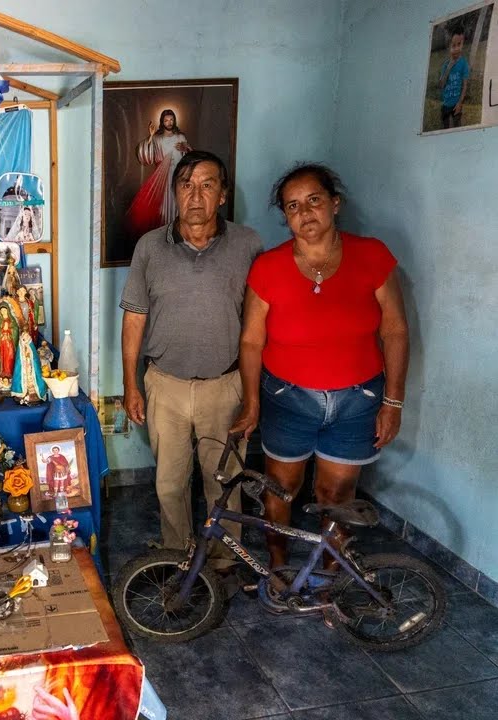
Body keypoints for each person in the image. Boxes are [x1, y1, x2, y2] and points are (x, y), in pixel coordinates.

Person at [231, 163, 408, 577]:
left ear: (335, 203)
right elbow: (251, 341)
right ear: (285, 216)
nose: (305, 213)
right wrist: (252, 403)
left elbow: (395, 331)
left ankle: (329, 577)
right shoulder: (268, 267)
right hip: (288, 398)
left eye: (313, 200)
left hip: (357, 401)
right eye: (293, 206)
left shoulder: (372, 256)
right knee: (281, 490)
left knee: (336, 494)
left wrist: (393, 402)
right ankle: (278, 569)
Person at [120, 150, 263, 571]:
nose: (196, 195)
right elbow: (134, 319)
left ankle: (222, 563)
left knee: (224, 484)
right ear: (174, 193)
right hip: (165, 384)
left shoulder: (248, 245)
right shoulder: (150, 247)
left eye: (207, 185)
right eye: (186, 185)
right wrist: (130, 384)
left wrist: (252, 393)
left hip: (225, 385)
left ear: (223, 194)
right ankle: (180, 559)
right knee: (169, 484)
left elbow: (258, 325)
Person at [124, 109, 191, 241]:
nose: (169, 122)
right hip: (163, 177)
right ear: (162, 122)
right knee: (163, 208)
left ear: (174, 121)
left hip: (179, 176)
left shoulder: (180, 137)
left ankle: (178, 235)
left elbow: (190, 157)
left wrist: (187, 148)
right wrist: (150, 136)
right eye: (166, 120)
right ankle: (165, 236)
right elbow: (146, 157)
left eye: (171, 120)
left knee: (179, 204)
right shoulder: (157, 138)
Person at [438, 24, 470, 129]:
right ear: (449, 47)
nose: (456, 49)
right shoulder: (445, 65)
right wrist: (449, 67)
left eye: (459, 44)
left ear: (463, 44)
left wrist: (460, 103)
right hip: (446, 105)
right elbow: (441, 85)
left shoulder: (464, 64)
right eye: (453, 45)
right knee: (445, 128)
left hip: (456, 104)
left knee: (457, 127)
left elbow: (465, 86)